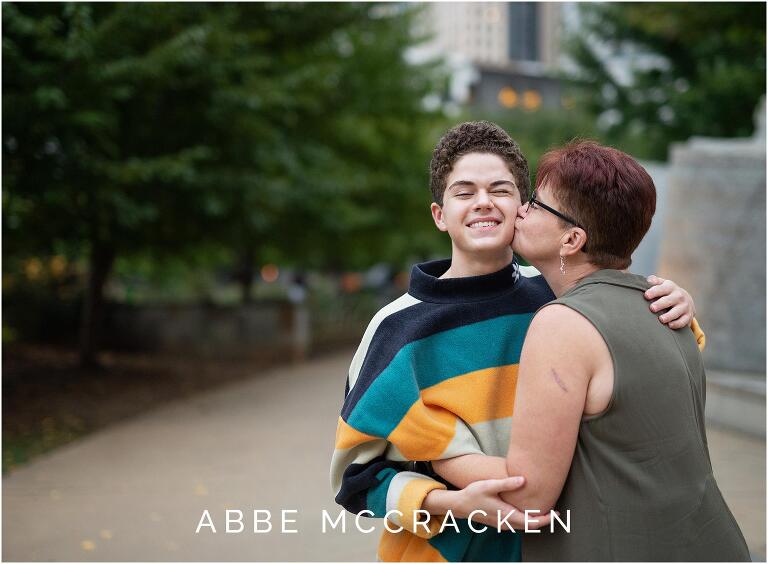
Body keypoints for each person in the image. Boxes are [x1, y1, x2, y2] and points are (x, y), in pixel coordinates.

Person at [330, 122, 702, 562]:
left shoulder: (562, 298)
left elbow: (646, 370)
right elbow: (355, 480)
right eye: (464, 192)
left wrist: (678, 303)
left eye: (501, 190)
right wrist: (446, 503)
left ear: (525, 208)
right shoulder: (395, 329)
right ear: (439, 214)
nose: (483, 202)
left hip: (568, 547)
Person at [427, 140, 750, 561]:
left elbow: (529, 495)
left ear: (572, 239)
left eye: (538, 205)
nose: (522, 208)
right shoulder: (664, 306)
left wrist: (434, 454)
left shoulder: (562, 323)